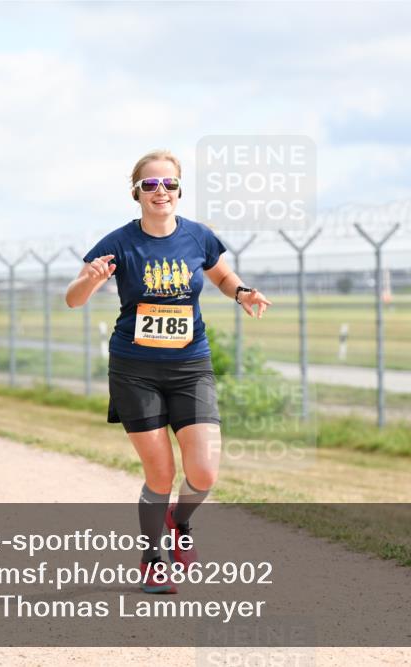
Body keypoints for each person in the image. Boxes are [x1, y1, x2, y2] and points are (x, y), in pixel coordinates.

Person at [65, 149, 271, 594]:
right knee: (160, 475)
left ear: (179, 190)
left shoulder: (198, 237)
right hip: (134, 370)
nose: (161, 191)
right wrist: (91, 279)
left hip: (190, 366)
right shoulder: (117, 243)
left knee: (204, 473)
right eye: (151, 185)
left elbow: (220, 277)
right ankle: (152, 559)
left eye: (170, 184)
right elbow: (73, 299)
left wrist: (243, 293)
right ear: (136, 192)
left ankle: (180, 523)